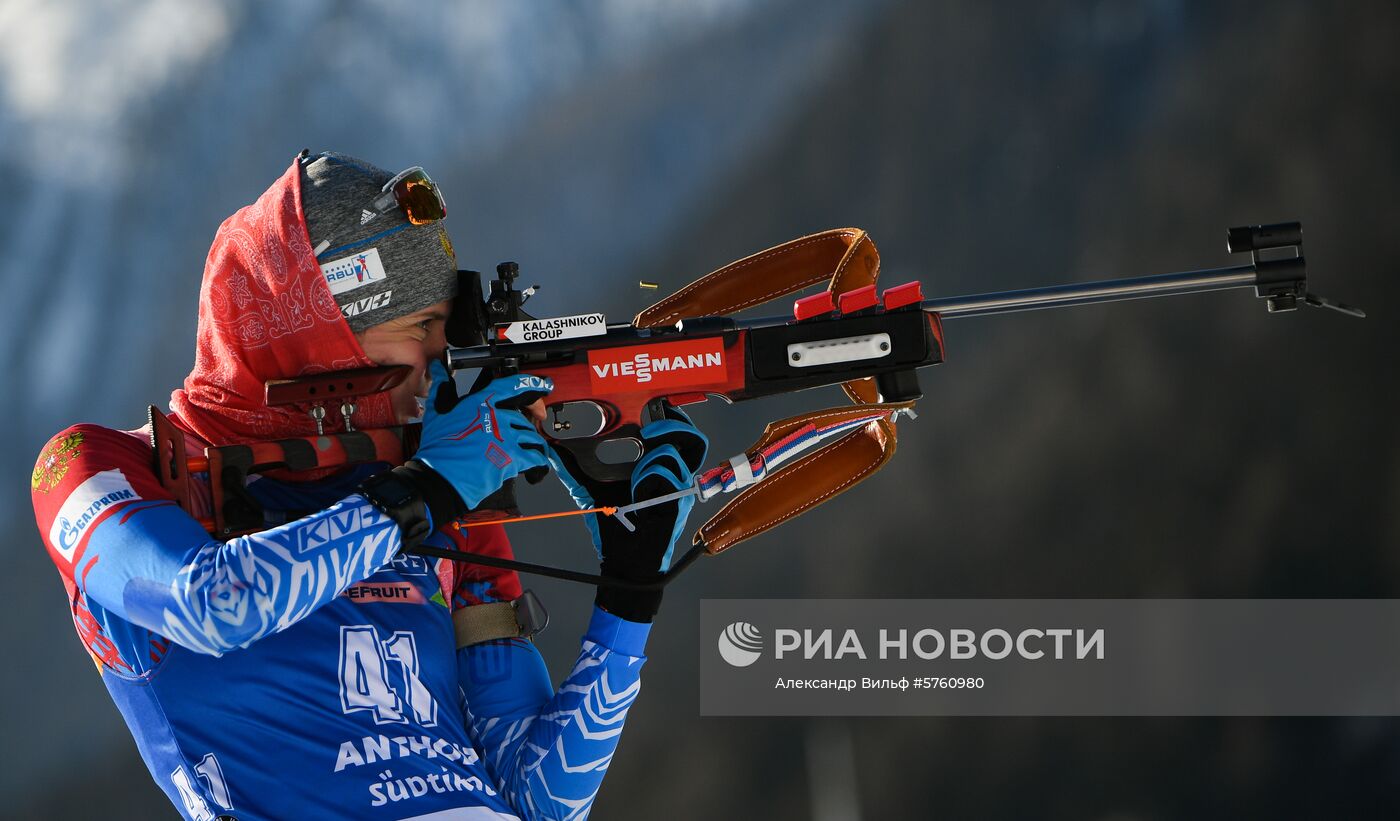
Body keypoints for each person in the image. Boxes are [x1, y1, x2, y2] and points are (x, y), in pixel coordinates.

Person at [30, 151, 707, 820]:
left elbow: (540, 799)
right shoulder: (96, 466)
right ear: (324, 338)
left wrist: (628, 596)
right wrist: (429, 489)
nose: (444, 359)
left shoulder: (436, 482)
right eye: (419, 329)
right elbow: (213, 604)